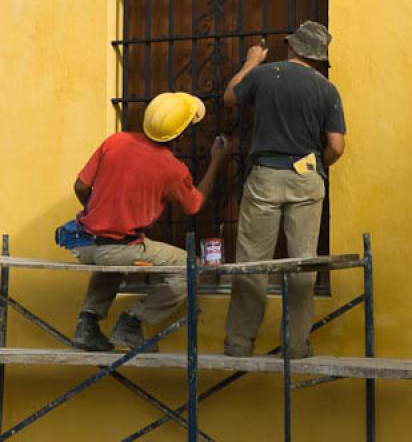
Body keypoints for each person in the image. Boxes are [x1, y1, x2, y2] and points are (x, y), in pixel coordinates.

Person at [68, 91, 228, 352]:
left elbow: (80, 186)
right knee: (191, 269)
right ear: (182, 133)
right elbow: (195, 204)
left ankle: (87, 325)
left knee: (114, 256)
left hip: (82, 243)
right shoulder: (172, 169)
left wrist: (95, 211)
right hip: (118, 249)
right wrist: (216, 162)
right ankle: (132, 322)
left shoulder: (115, 141)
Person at [223, 20, 346, 359]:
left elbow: (230, 96)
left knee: (252, 262)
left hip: (265, 175)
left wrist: (251, 62)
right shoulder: (326, 89)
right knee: (302, 263)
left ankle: (239, 342)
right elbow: (336, 145)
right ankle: (295, 345)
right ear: (318, 56)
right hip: (306, 177)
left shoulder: (265, 75)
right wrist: (318, 167)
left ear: (292, 47)